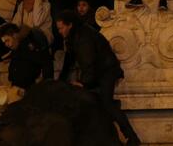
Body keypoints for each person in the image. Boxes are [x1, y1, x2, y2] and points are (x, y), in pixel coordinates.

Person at [56, 10, 141, 145]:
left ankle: (131, 137)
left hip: (106, 71)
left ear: (70, 25)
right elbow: (69, 59)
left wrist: (84, 83)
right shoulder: (74, 37)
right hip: (99, 71)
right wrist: (61, 80)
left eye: (61, 28)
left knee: (107, 103)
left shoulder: (83, 37)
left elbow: (89, 61)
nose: (60, 31)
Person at [0, 23, 52, 89]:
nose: (6, 44)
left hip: (29, 89)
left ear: (15, 35)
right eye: (4, 42)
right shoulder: (15, 48)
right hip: (16, 88)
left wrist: (45, 84)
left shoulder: (29, 46)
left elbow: (46, 62)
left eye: (7, 40)